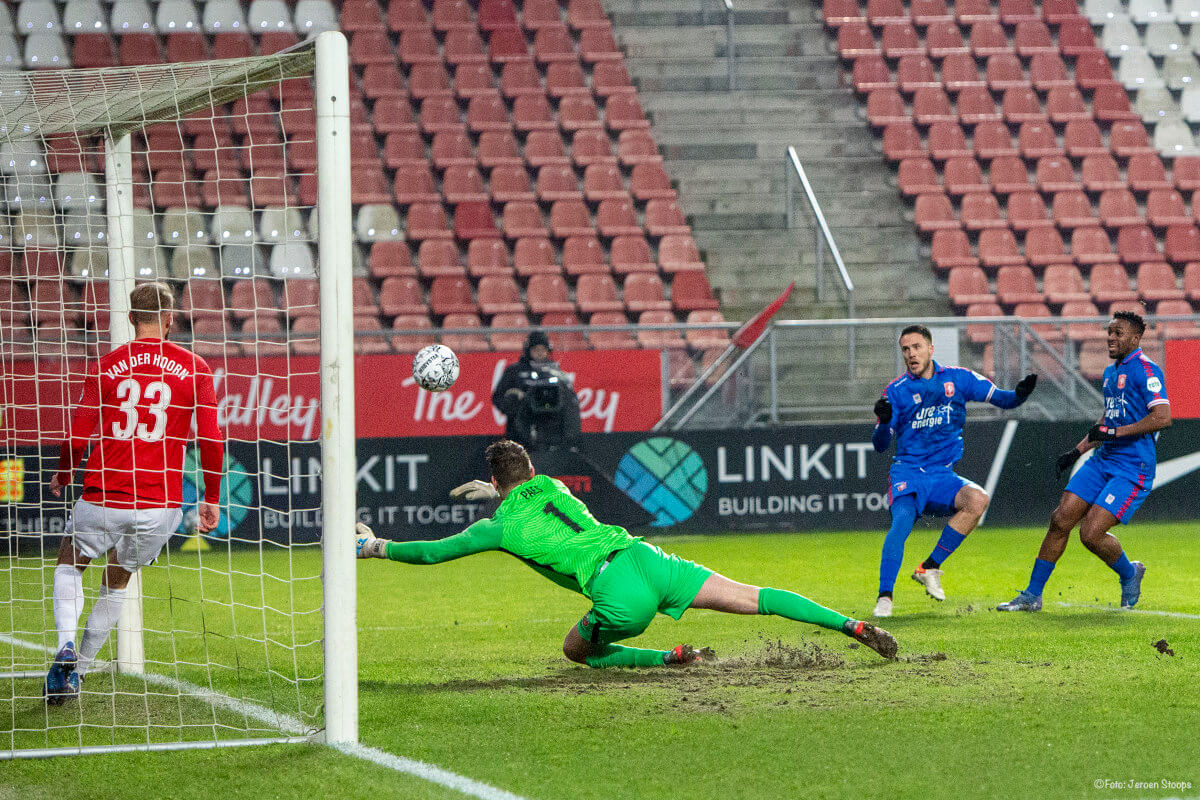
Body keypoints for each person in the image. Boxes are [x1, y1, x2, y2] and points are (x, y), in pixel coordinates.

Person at [356, 439, 898, 666]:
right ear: (531, 474)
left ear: (496, 483)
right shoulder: (556, 488)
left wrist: (375, 545)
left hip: (617, 591)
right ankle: (851, 626)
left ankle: (671, 658)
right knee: (755, 596)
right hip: (648, 558)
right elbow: (526, 486)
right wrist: (502, 488)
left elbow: (429, 553)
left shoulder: (498, 528)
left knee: (575, 650)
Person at [43, 282, 224, 704]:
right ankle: (79, 672)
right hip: (159, 506)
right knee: (118, 580)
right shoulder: (195, 367)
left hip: (103, 496)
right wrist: (211, 496)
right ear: (169, 319)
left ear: (128, 318)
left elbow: (75, 437)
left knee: (71, 562)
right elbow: (211, 439)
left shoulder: (105, 365)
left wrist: (65, 473)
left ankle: (66, 645)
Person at [998, 311, 1168, 612]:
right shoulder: (1111, 372)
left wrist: (1116, 432)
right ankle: (1031, 595)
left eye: (1118, 333)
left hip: (1132, 469)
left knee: (1090, 534)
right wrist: (1077, 452)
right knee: (1060, 519)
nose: (1110, 338)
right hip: (1103, 460)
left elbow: (1162, 417)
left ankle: (1130, 572)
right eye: (1110, 332)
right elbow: (1107, 419)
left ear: (1136, 338)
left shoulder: (1147, 371)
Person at [871, 324, 1037, 617]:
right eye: (906, 350)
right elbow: (881, 445)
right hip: (908, 473)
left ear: (931, 349)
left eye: (917, 347)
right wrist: (884, 423)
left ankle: (930, 566)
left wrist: (1020, 395)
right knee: (901, 526)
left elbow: (1003, 399)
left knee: (978, 500)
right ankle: (885, 598)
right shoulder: (896, 391)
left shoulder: (958, 379)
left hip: (942, 476)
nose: (911, 354)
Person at [491, 331, 581, 451]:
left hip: (551, 430)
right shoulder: (514, 372)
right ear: (528, 350)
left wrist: (569, 437)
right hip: (519, 431)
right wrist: (514, 407)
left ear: (548, 351)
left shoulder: (557, 373)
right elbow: (498, 397)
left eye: (542, 349)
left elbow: (570, 403)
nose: (539, 353)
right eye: (535, 349)